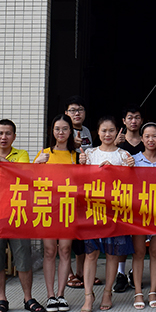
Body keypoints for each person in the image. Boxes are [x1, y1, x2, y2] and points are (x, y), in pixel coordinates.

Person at [0, 119, 45, 312]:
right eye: (0, 133)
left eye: (8, 133)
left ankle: (28, 298)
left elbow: (19, 173)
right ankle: (2, 299)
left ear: (14, 137)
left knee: (23, 259)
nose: (4, 137)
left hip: (18, 214)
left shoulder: (21, 155)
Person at [78, 116, 137, 312]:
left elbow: (131, 184)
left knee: (112, 253)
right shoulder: (89, 154)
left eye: (111, 130)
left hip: (115, 211)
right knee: (91, 254)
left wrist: (129, 168)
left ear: (117, 132)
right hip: (93, 210)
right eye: (104, 130)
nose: (107, 134)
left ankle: (107, 293)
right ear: (98, 132)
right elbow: (81, 181)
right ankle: (88, 295)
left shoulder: (124, 155)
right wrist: (84, 166)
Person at [33, 114, 79, 312]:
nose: (61, 132)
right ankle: (50, 296)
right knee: (50, 251)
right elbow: (29, 181)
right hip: (47, 208)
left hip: (68, 208)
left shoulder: (76, 156)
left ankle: (61, 295)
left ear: (71, 132)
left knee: (65, 250)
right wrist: (36, 165)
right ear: (52, 131)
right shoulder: (44, 154)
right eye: (57, 129)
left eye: (65, 129)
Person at [131, 122, 156, 309]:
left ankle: (153, 291)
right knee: (138, 252)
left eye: (154, 136)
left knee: (155, 252)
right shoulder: (133, 160)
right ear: (141, 138)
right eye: (147, 136)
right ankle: (138, 292)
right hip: (139, 213)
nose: (150, 140)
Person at [64, 96, 96, 291]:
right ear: (66, 113)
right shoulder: (63, 129)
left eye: (80, 110)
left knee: (82, 231)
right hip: (67, 187)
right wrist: (73, 145)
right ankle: (68, 274)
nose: (77, 113)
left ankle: (81, 272)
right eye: (73, 110)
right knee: (67, 232)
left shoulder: (86, 131)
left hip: (84, 187)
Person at [112, 104, 143, 293]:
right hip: (122, 195)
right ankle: (121, 273)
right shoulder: (118, 143)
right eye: (130, 117)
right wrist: (114, 145)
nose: (133, 121)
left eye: (137, 117)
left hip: (142, 195)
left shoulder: (147, 140)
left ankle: (134, 273)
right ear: (124, 121)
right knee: (122, 236)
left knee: (140, 237)